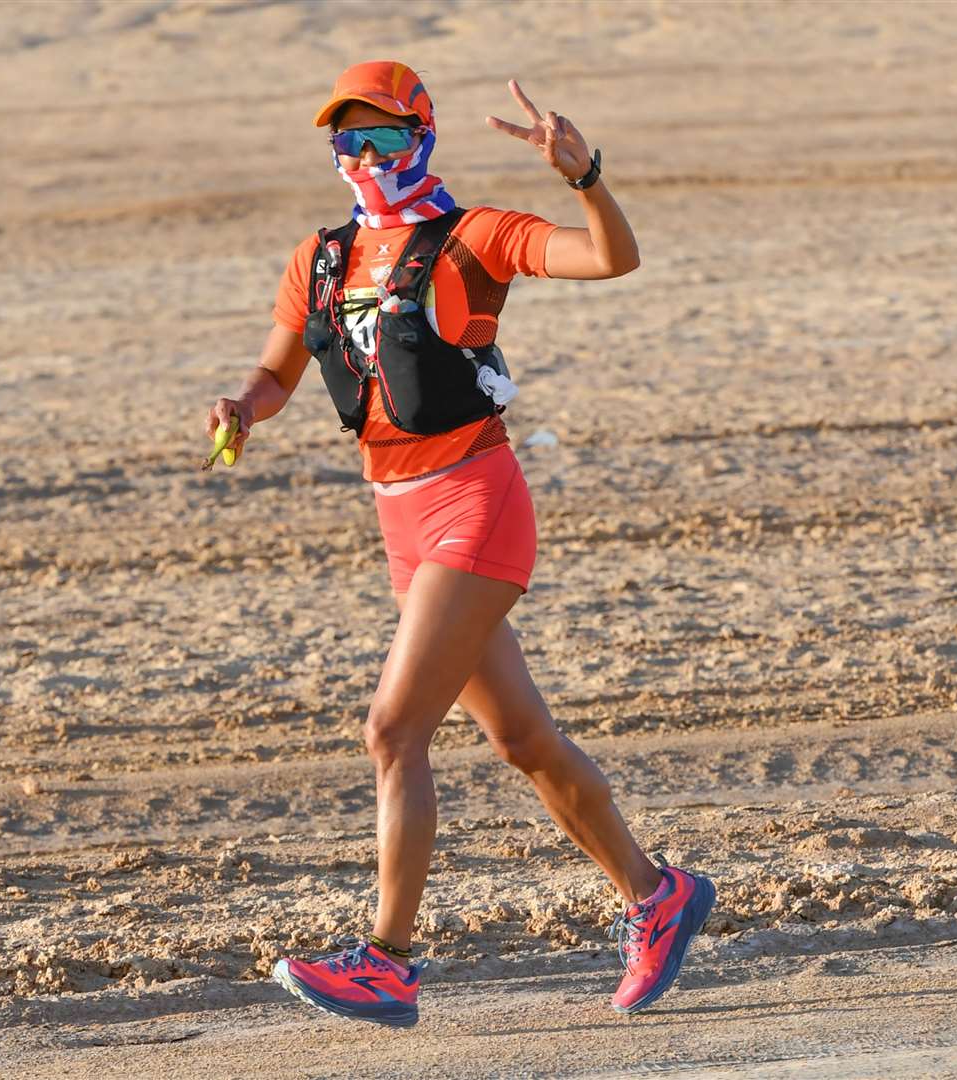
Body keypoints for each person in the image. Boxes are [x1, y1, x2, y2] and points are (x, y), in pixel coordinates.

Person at [206, 60, 715, 1029]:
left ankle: (388, 962)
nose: (362, 155)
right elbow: (277, 376)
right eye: (346, 139)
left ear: (422, 140)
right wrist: (244, 406)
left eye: (383, 138)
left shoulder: (472, 237)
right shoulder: (319, 257)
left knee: (394, 731)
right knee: (522, 739)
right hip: (398, 518)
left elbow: (612, 259)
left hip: (475, 504)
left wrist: (584, 176)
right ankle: (658, 895)